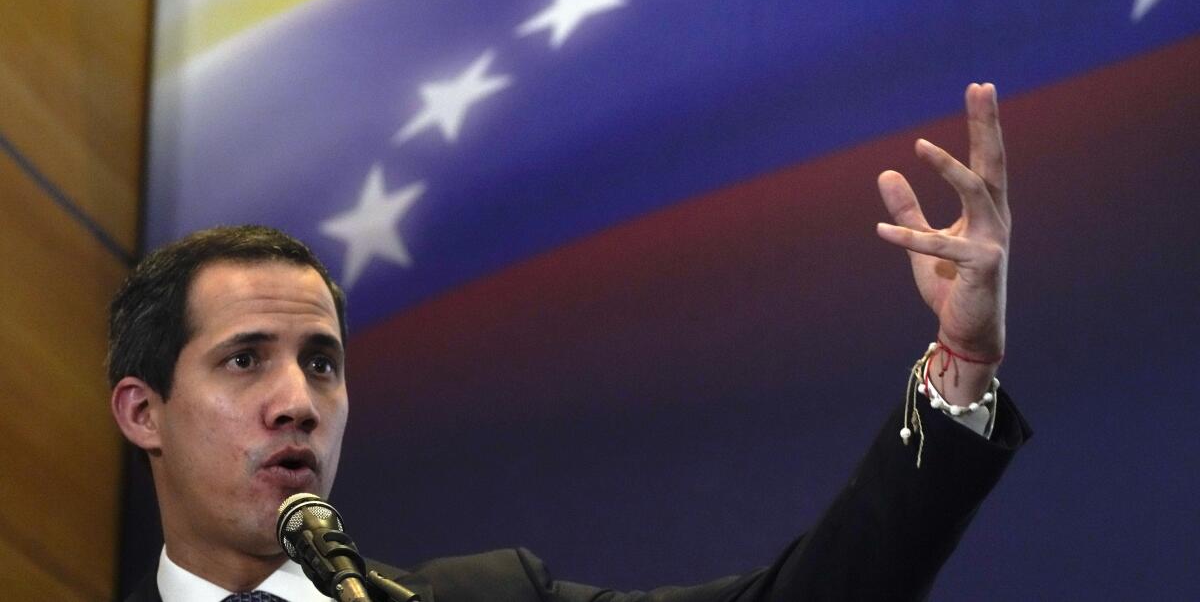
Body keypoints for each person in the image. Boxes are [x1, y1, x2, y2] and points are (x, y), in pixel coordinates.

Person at [109, 83, 1029, 601]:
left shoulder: (493, 598)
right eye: (245, 358)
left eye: (322, 361)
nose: (298, 400)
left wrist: (962, 366)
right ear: (143, 411)